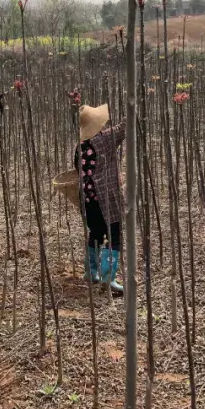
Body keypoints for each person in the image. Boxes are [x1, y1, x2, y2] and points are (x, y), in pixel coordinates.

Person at [74, 103, 125, 295]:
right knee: (114, 235)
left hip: (88, 202)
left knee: (95, 233)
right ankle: (108, 278)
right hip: (106, 199)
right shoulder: (102, 141)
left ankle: (91, 272)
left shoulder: (79, 146)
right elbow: (123, 128)